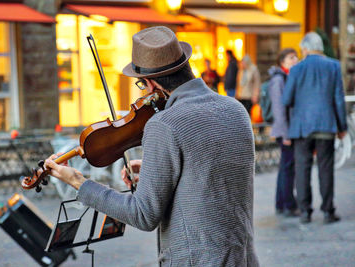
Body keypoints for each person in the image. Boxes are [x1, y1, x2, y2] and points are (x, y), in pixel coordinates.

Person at [45, 26, 259, 266]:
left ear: (151, 84)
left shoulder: (164, 124)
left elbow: (143, 215)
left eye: (142, 86)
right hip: (242, 258)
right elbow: (215, 170)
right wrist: (155, 168)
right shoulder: (236, 110)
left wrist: (78, 181)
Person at [282, 32, 347, 224]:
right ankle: (328, 211)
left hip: (302, 127)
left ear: (305, 49)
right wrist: (341, 126)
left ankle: (305, 211)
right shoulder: (333, 66)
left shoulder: (296, 69)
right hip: (326, 125)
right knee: (326, 169)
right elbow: (338, 99)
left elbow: (287, 99)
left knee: (303, 169)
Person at [268, 48, 299, 217]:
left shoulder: (286, 77)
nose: (295, 60)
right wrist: (286, 134)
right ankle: (288, 204)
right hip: (284, 131)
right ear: (282, 61)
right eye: (291, 57)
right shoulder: (279, 80)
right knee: (288, 168)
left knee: (285, 168)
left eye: (295, 57)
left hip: (286, 129)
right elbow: (279, 109)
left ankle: (281, 203)